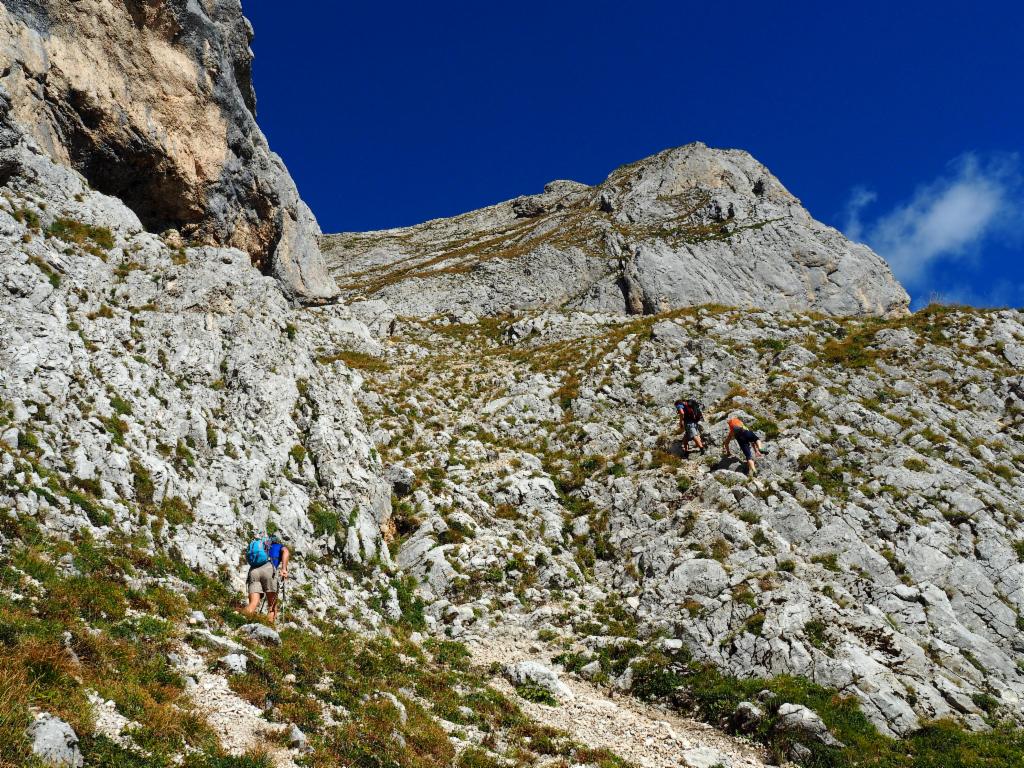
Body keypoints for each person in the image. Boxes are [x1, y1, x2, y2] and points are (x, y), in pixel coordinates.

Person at [243, 534, 290, 624]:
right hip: (268, 570)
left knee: (253, 603)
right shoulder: (278, 546)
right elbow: (286, 551)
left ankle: (239, 621)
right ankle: (269, 629)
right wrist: (284, 569)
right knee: (271, 605)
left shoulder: (261, 547)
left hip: (253, 570)